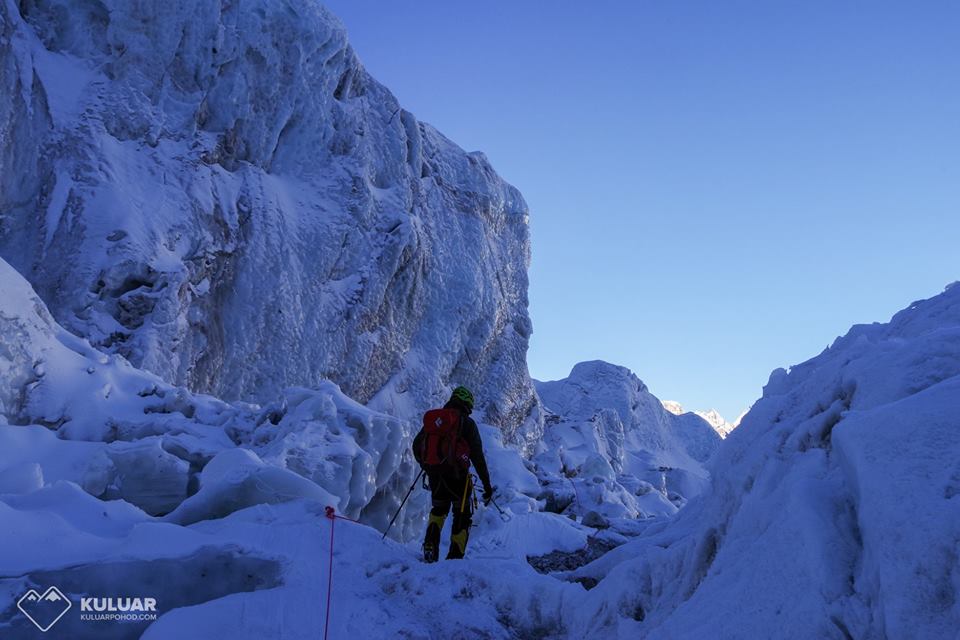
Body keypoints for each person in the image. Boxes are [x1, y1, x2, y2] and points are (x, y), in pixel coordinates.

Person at [412, 386, 494, 562]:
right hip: (458, 477)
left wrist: (427, 466)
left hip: (435, 474)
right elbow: (478, 457)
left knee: (439, 509)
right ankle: (455, 557)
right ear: (468, 404)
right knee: (462, 513)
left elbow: (416, 445)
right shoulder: (467, 423)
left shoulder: (436, 420)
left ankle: (429, 546)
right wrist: (487, 485)